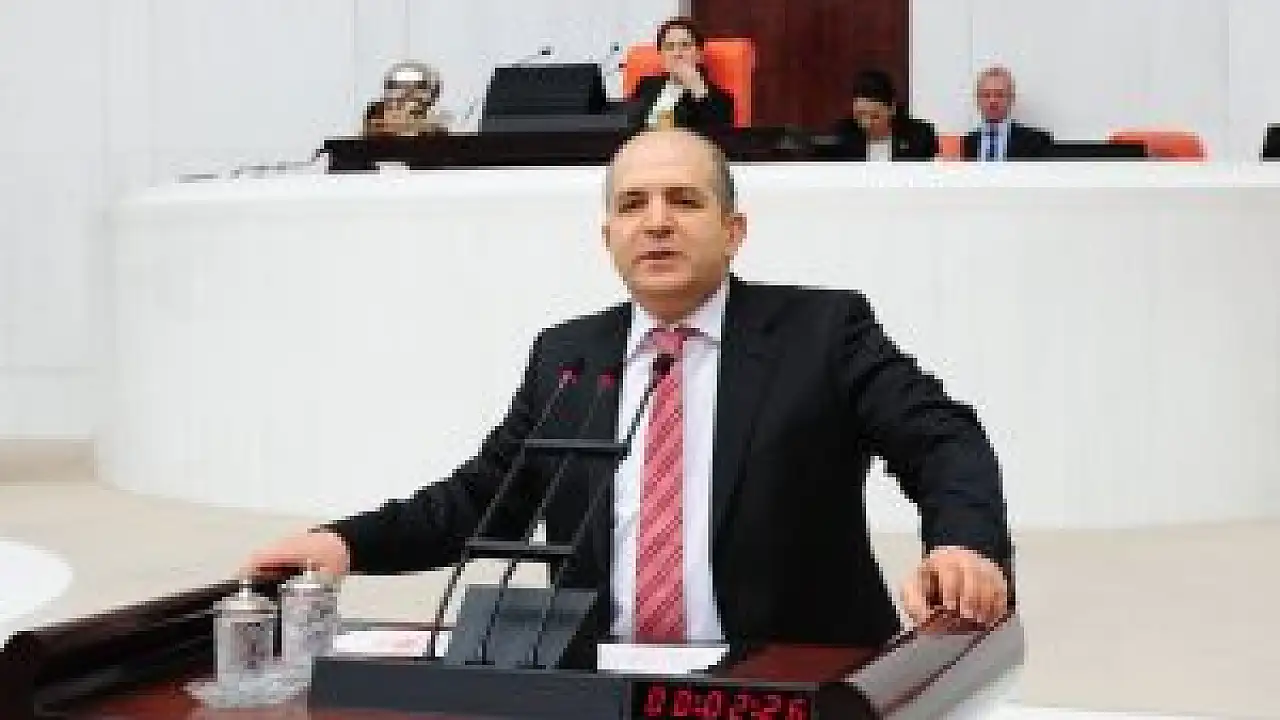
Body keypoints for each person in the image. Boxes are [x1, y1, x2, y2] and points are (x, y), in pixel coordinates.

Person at [245, 128, 1013, 648]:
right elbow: (484, 499)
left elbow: (942, 438)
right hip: (602, 683)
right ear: (607, 236)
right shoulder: (567, 356)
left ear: (734, 231)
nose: (657, 222)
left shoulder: (823, 332)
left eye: (685, 201)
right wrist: (345, 542)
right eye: (632, 205)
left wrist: (963, 544)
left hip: (787, 682)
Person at [628, 17, 735, 131]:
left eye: (685, 45)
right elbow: (629, 125)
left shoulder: (717, 101)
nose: (677, 53)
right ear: (661, 54)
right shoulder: (646, 86)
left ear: (699, 54)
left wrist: (698, 88)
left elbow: (714, 135)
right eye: (670, 47)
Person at [832, 70, 938, 161]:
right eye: (860, 115)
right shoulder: (843, 136)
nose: (867, 123)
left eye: (875, 116)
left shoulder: (919, 136)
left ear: (892, 108)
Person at [964, 66, 1053, 161]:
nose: (993, 101)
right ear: (978, 100)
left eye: (1000, 95)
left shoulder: (1035, 141)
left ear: (1011, 99)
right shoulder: (965, 144)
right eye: (986, 95)